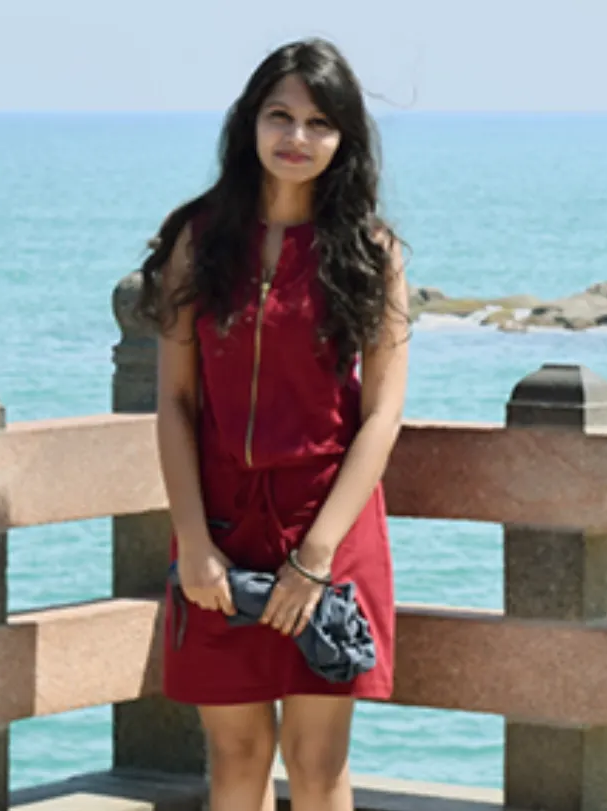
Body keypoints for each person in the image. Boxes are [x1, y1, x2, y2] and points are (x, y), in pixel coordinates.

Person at [132, 38, 408, 811]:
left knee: (317, 765)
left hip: (329, 524)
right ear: (248, 124)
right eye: (278, 116)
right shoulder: (201, 239)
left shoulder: (369, 253)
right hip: (218, 528)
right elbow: (176, 403)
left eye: (318, 123)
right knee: (238, 758)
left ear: (344, 139)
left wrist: (316, 559)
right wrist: (192, 544)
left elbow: (383, 412)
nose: (296, 137)